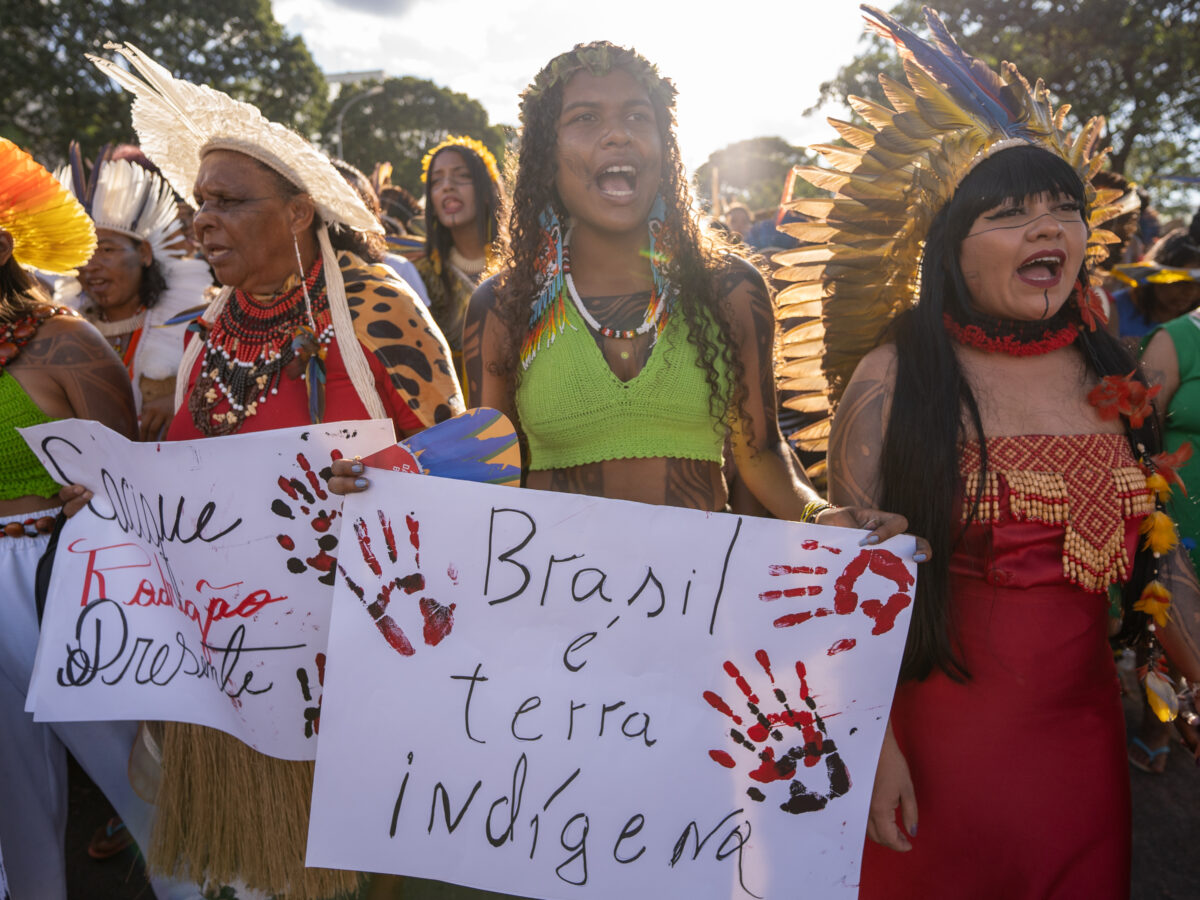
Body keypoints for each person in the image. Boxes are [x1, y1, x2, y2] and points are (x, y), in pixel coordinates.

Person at [331, 40, 925, 900]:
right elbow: (490, 462)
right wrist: (390, 487)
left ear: (665, 146)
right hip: (550, 649)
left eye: (637, 118)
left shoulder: (727, 290)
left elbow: (762, 459)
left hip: (696, 645)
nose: (618, 136)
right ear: (547, 154)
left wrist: (822, 519)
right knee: (552, 857)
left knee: (684, 867)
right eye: (587, 119)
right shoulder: (503, 307)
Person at [776, 9, 1200, 898]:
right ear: (949, 248)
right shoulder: (898, 380)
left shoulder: (1110, 375)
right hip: (928, 759)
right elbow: (834, 591)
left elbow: (1161, 562)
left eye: (1064, 210)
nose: (1049, 230)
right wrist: (866, 746)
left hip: (1083, 757)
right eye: (1010, 214)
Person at [89, 42, 464, 899]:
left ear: (298, 215)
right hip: (226, 668)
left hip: (358, 667)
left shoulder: (376, 311)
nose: (201, 221)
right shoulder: (206, 332)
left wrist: (390, 473)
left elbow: (474, 461)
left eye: (227, 202)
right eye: (198, 203)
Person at [0, 137, 195, 900]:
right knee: (14, 810)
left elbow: (126, 484)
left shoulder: (62, 341)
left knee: (140, 781)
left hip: (62, 585)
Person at [57, 144, 212, 441]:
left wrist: (182, 401)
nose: (91, 266)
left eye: (106, 250)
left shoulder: (192, 319)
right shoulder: (65, 326)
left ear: (143, 252)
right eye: (83, 253)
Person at [1128, 236, 1200, 771]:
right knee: (1173, 626)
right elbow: (1139, 437)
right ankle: (1159, 723)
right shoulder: (1177, 340)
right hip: (1183, 518)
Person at [414, 135, 507, 393]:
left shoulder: (519, 268)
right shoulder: (418, 277)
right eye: (436, 181)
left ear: (487, 191)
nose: (447, 187)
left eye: (462, 175)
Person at [1111, 228, 1200, 341]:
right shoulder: (1112, 310)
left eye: (1199, 285)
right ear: (1155, 277)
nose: (1191, 292)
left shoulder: (1196, 320)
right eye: (1182, 282)